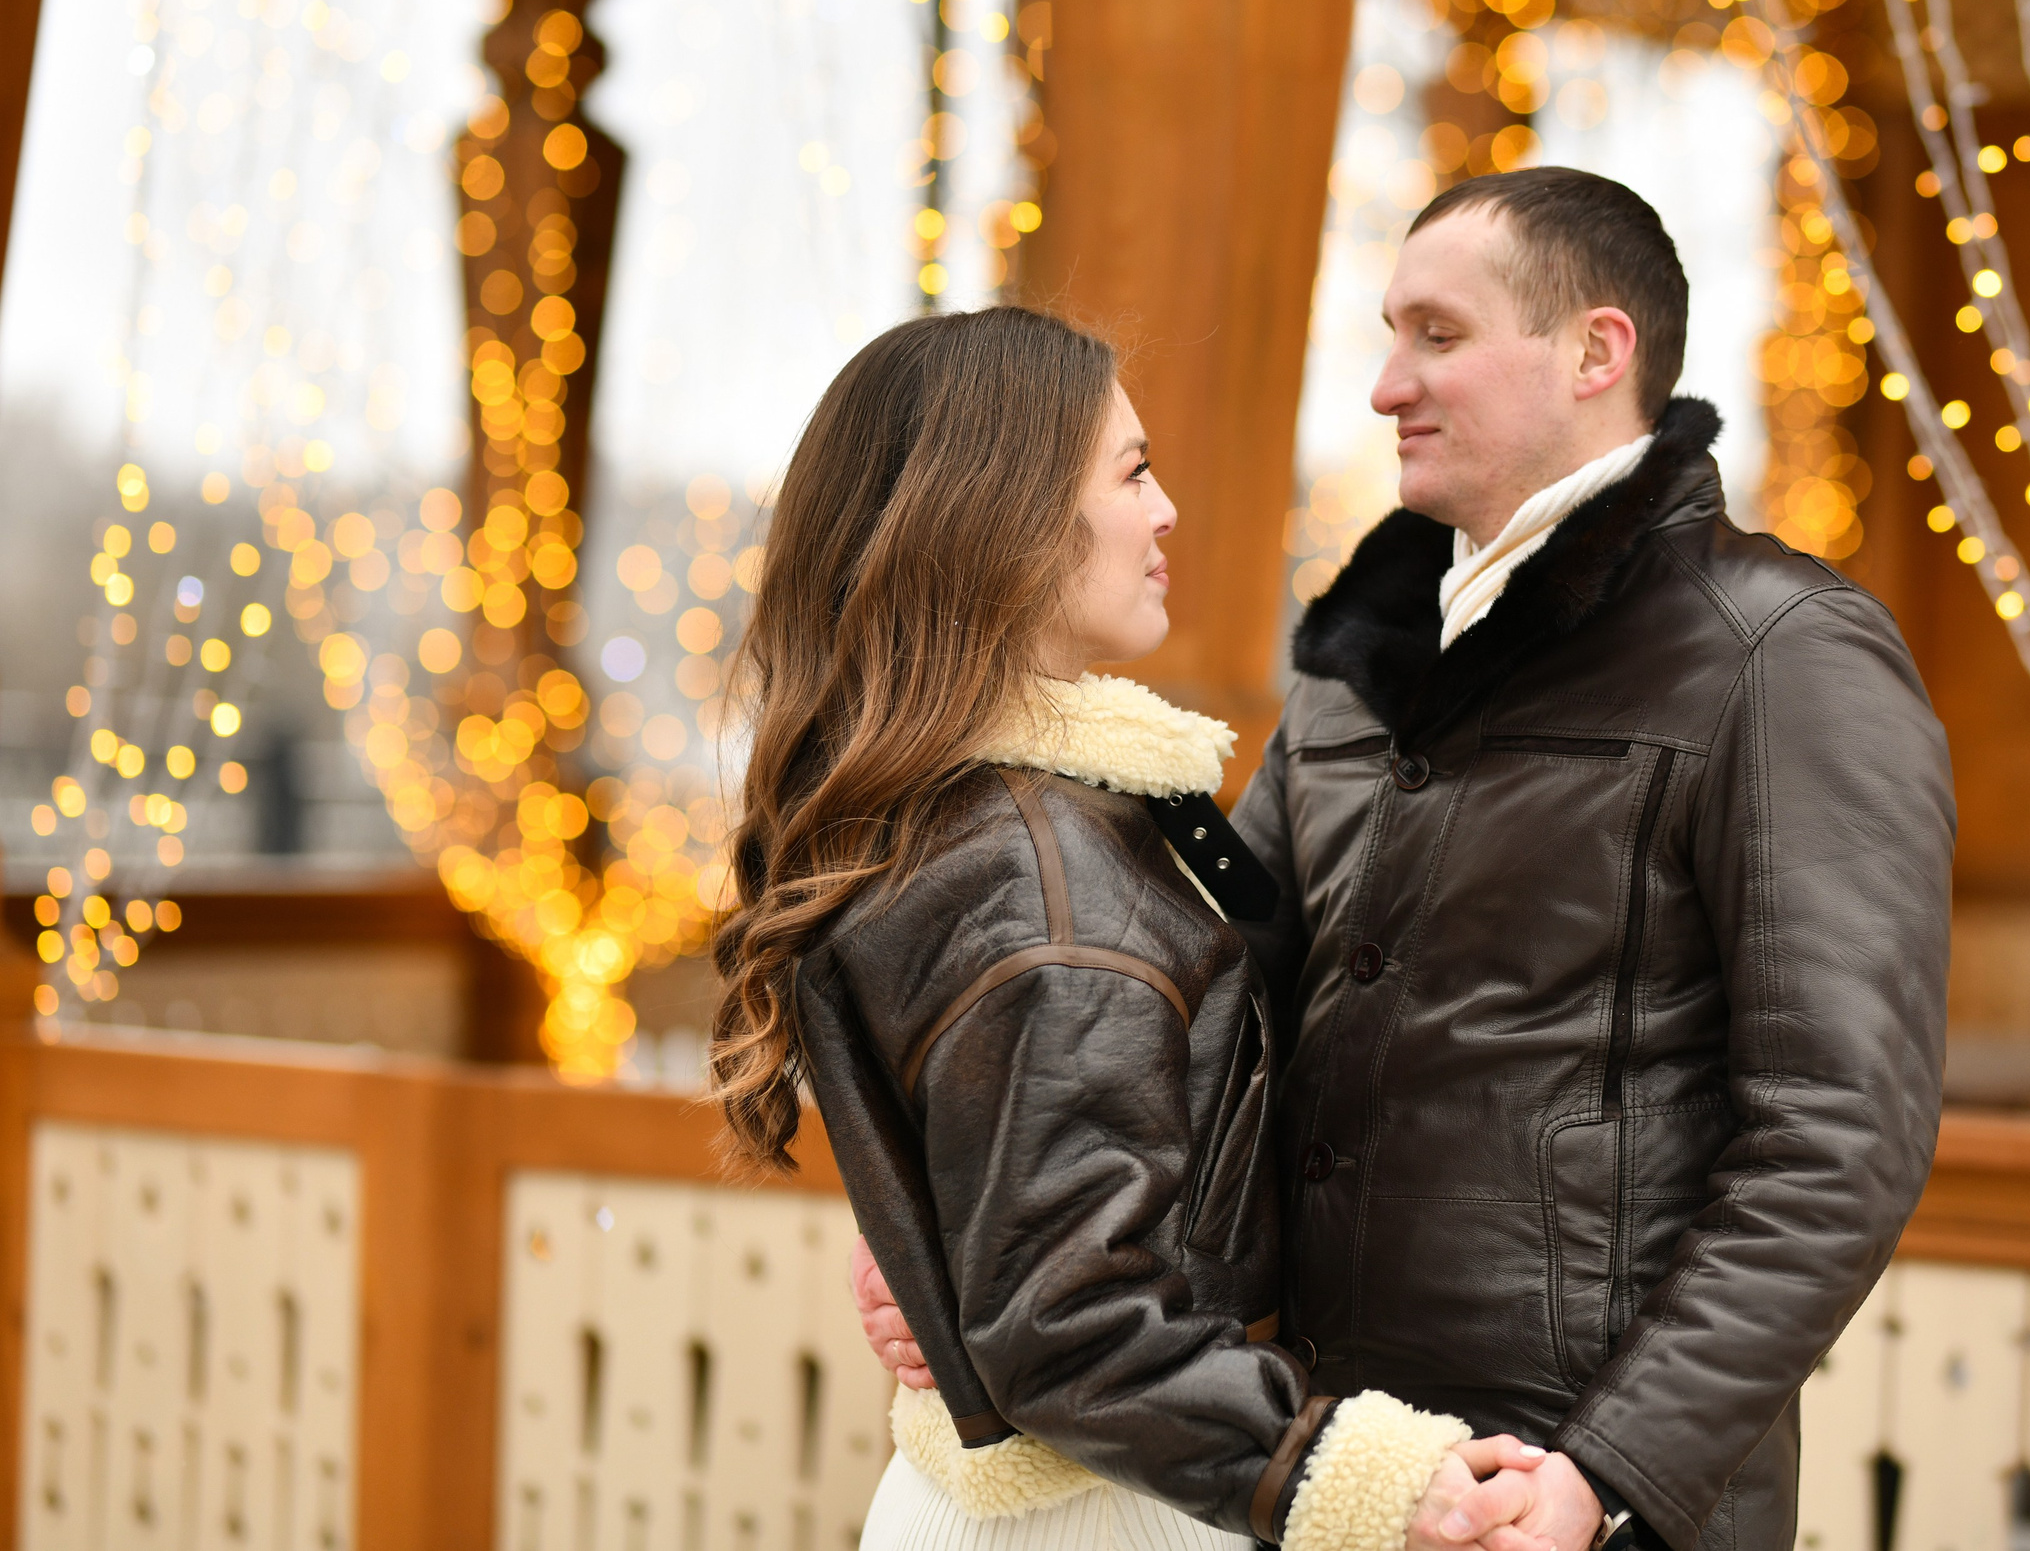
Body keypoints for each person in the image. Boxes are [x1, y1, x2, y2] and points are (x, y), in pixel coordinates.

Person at [856, 171, 1954, 1551]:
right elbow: (1211, 1012)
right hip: (1339, 1466)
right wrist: (964, 1225)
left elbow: (1837, 1134)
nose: (1386, 386)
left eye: (1439, 335)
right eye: (1390, 335)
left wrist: (1606, 1472)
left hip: (1558, 1492)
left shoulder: (1778, 650)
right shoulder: (1357, 664)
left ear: (1596, 351)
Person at [706, 306, 1553, 1551]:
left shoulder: (990, 816)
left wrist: (947, 1237)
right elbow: (1069, 1324)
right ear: (1004, 519)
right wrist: (1368, 1479)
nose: (1166, 513)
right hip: (1103, 1514)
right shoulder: (1044, 879)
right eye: (1133, 473)